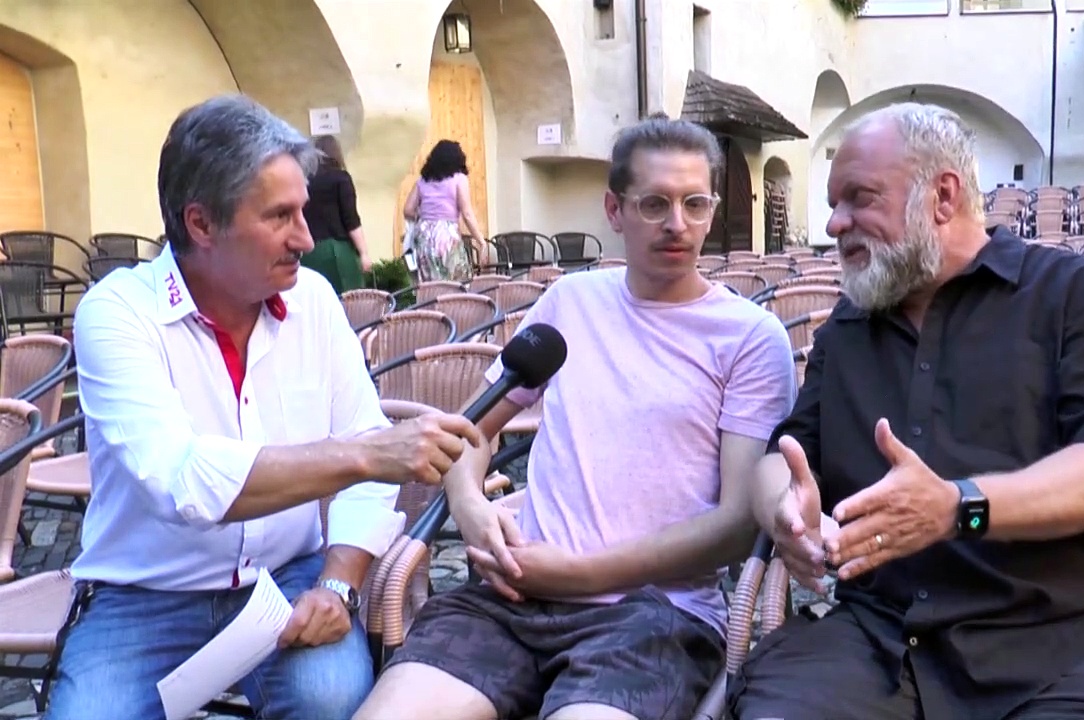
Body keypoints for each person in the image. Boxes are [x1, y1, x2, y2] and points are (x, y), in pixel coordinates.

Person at [726, 103, 1084, 720]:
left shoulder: (1076, 296)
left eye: (858, 198)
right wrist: (785, 513)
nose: (835, 222)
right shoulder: (849, 326)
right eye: (833, 203)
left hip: (1065, 642)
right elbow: (786, 454)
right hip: (879, 638)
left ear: (943, 196)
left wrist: (957, 508)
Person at [46, 94, 483, 720]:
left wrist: (338, 583)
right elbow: (183, 480)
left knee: (332, 700)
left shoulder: (314, 300)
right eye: (280, 216)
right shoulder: (118, 312)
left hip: (288, 577)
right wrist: (363, 454)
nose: (306, 237)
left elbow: (367, 469)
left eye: (303, 210)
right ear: (201, 225)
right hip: (144, 594)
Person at [354, 113, 797, 720]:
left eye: (695, 204)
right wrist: (472, 508)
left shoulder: (750, 337)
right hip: (514, 600)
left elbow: (736, 524)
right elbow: (471, 431)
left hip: (654, 617)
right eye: (654, 204)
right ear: (614, 210)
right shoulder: (570, 300)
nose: (677, 223)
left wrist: (576, 575)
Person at [402, 139, 487, 282]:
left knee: (429, 285)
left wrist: (424, 215)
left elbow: (407, 210)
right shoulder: (459, 179)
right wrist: (481, 241)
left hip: (423, 235)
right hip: (446, 236)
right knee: (456, 282)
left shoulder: (422, 180)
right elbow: (467, 214)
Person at [301, 134, 372, 294]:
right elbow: (351, 220)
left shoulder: (304, 181)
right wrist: (364, 253)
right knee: (349, 300)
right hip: (338, 251)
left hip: (309, 253)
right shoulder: (341, 178)